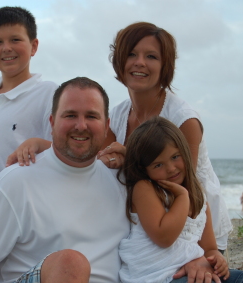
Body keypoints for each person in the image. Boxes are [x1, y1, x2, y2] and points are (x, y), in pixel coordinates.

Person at [0, 77, 128, 283]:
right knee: (70, 265)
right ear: (51, 123)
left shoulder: (122, 183)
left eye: (91, 116)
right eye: (70, 115)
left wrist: (185, 258)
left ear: (106, 125)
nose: (81, 125)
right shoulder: (17, 181)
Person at [96, 21, 232, 252]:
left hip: (194, 231)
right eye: (131, 54)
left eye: (151, 56)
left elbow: (181, 182)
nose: (140, 62)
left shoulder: (183, 119)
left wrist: (129, 159)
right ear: (120, 61)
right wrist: (41, 145)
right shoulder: (118, 115)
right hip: (145, 229)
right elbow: (96, 157)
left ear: (164, 65)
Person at [118, 116, 243, 283]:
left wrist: (215, 259)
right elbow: (164, 237)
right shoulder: (145, 188)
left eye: (175, 157)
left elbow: (209, 247)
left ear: (185, 152)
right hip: (154, 281)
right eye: (158, 164)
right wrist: (182, 198)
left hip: (187, 269)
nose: (170, 168)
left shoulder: (198, 196)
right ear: (144, 169)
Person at [0, 6, 58, 194]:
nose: (7, 48)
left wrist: (38, 143)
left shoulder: (49, 93)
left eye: (15, 39)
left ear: (34, 46)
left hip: (16, 204)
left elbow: (64, 152)